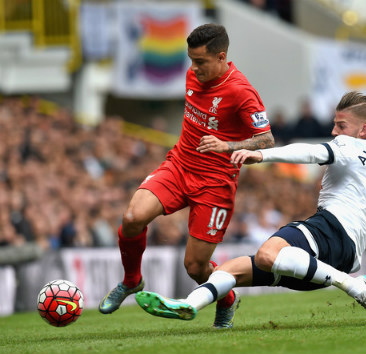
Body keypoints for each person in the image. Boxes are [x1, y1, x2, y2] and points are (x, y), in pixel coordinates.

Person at [134, 91, 366, 325]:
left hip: (330, 232)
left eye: (341, 125)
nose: (334, 132)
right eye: (335, 125)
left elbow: (311, 152)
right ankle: (188, 304)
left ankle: (356, 287)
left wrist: (260, 154)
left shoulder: (352, 147)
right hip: (335, 260)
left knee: (267, 253)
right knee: (231, 269)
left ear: (364, 129)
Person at [98, 23, 275, 329]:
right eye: (191, 60)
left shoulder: (241, 92)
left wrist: (227, 145)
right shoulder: (193, 74)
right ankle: (131, 281)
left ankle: (227, 299)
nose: (194, 68)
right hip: (179, 166)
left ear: (221, 57)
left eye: (201, 61)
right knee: (131, 217)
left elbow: (267, 139)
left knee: (195, 267)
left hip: (215, 184)